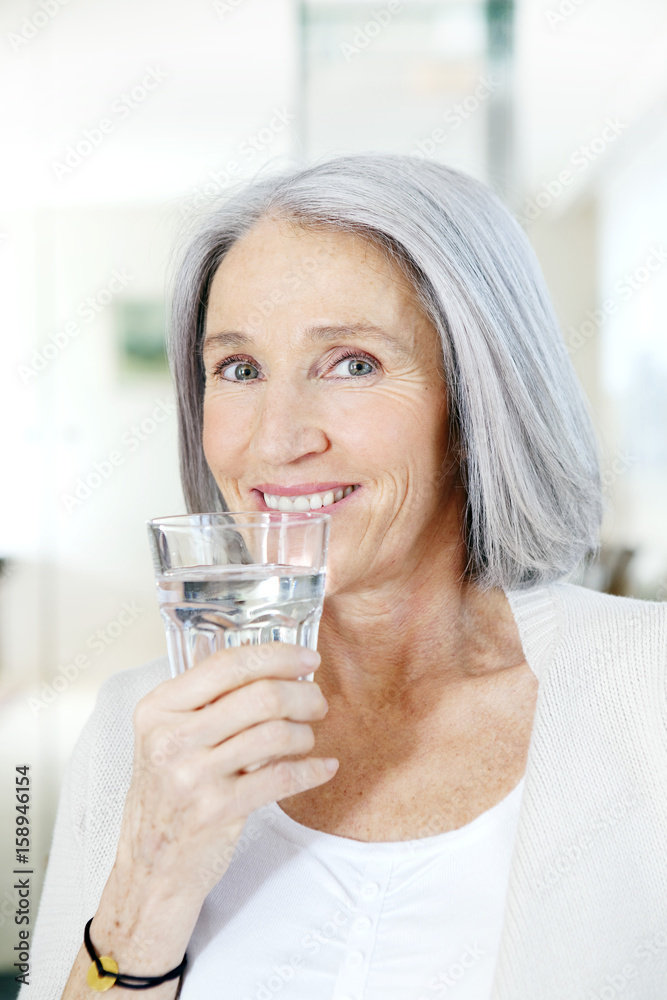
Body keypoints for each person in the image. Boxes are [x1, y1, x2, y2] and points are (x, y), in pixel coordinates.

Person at [24, 154, 667, 1000]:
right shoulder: (139, 728)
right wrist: (147, 891)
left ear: (477, 398)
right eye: (239, 369)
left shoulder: (646, 691)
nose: (276, 439)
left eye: (352, 363)